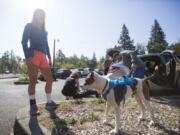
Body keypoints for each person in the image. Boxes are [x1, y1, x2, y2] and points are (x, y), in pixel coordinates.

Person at [21, 9, 57, 116]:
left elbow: (47, 45)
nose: (41, 18)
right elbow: (24, 41)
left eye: (43, 16)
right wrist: (28, 55)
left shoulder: (44, 31)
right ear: (35, 16)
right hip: (34, 54)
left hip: (43, 57)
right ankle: (33, 105)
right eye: (39, 15)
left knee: (50, 79)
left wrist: (49, 58)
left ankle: (49, 102)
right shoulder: (29, 26)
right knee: (33, 80)